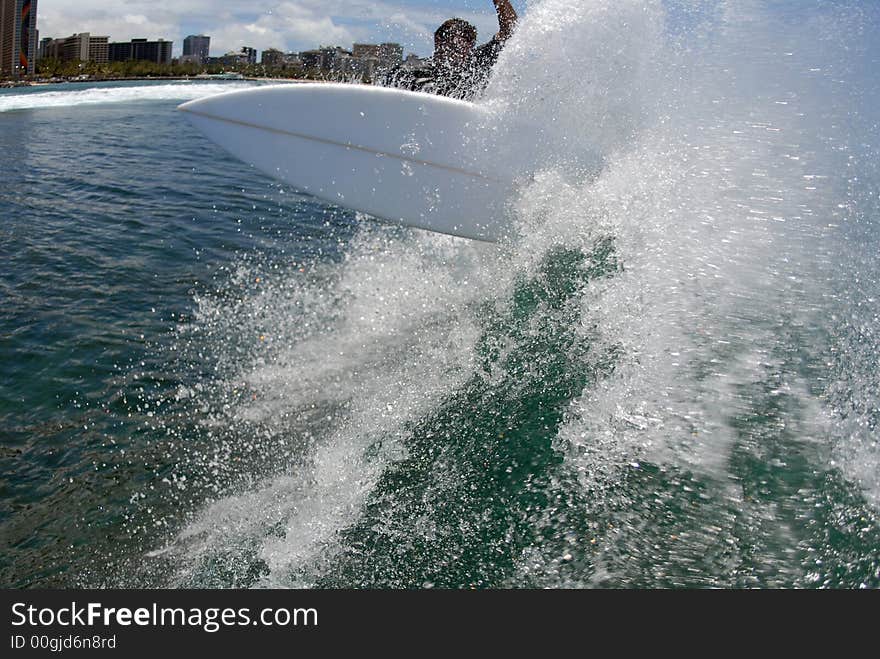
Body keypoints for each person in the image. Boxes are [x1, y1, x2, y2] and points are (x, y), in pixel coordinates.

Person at [384, 0, 518, 100]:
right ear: (438, 41)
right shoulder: (411, 69)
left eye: (467, 43)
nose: (458, 50)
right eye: (452, 44)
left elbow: (510, 30)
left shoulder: (475, 65)